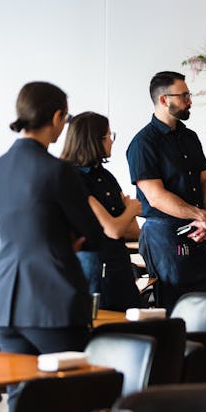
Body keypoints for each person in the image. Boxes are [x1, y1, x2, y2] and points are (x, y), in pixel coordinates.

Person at [0, 82, 106, 356]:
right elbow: (93, 235)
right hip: (52, 300)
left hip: (6, 305)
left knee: (22, 392)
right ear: (56, 117)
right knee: (68, 392)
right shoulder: (58, 171)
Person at [126, 71, 206, 309]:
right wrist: (203, 216)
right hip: (163, 234)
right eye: (184, 95)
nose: (189, 101)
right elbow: (156, 197)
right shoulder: (143, 143)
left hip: (195, 228)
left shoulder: (190, 137)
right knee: (177, 304)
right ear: (163, 100)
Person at [60, 112, 143, 311]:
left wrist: (125, 217)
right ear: (93, 140)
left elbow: (134, 231)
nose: (111, 142)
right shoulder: (73, 178)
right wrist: (130, 210)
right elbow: (114, 230)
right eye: (108, 136)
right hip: (94, 269)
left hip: (120, 267)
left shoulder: (106, 177)